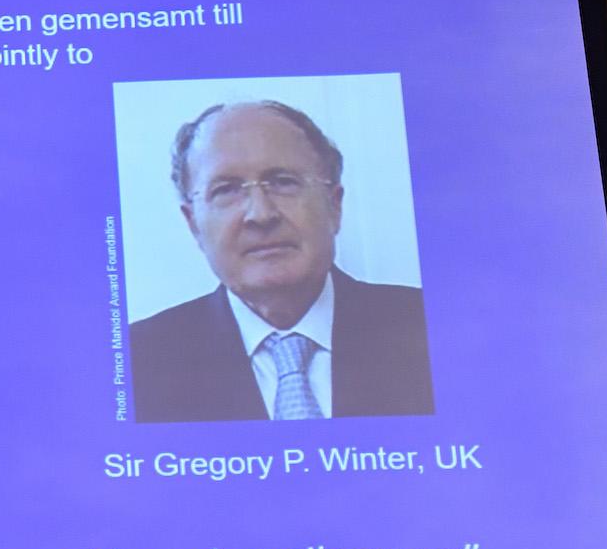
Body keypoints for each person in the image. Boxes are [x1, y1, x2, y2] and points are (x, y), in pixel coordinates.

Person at [128, 101, 433, 423]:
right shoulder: (138, 362)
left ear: (335, 206)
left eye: (283, 182)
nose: (261, 214)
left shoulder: (428, 328)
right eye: (227, 189)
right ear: (193, 225)